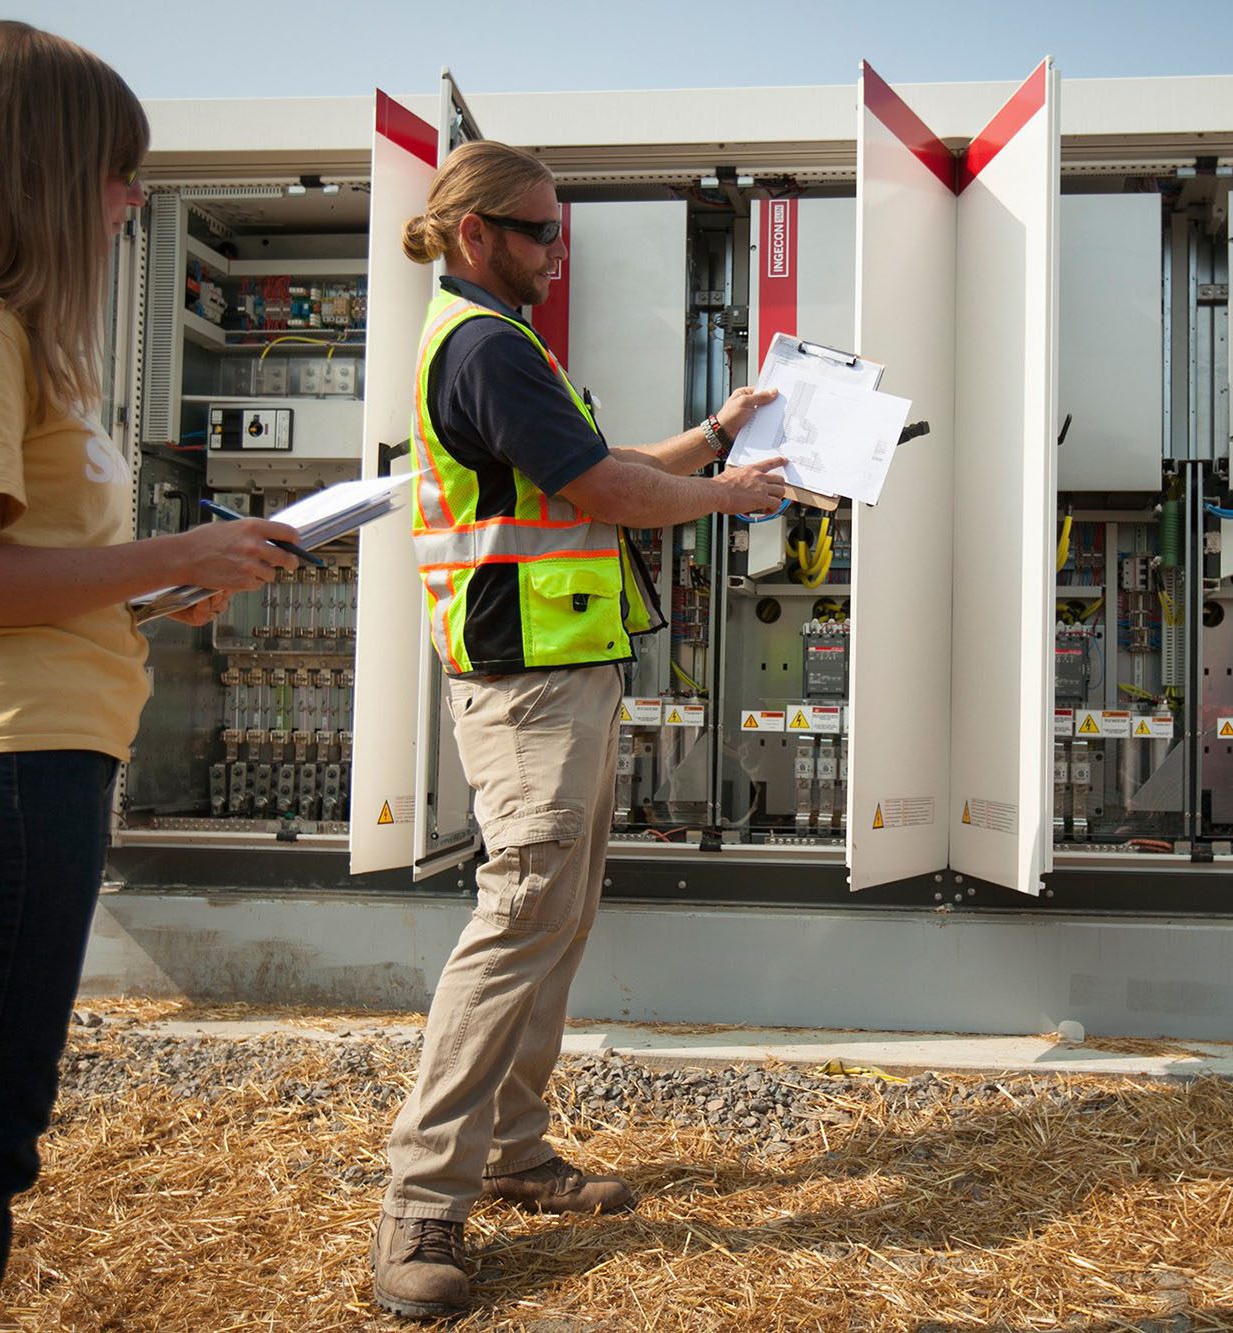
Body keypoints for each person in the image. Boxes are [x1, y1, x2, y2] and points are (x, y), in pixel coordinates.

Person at [0, 23, 301, 1332]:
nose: (133, 201)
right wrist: (177, 544)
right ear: (42, 166)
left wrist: (155, 580)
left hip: (4, 755)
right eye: (116, 171)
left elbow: (6, 570)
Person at [371, 140, 788, 1320]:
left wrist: (715, 431)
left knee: (554, 920)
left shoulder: (505, 343)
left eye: (561, 231)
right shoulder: (486, 345)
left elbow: (591, 472)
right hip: (526, 684)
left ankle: (512, 1152)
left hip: (561, 675)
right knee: (517, 920)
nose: (559, 251)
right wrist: (727, 495)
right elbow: (610, 498)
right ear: (475, 235)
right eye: (541, 231)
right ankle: (419, 1202)